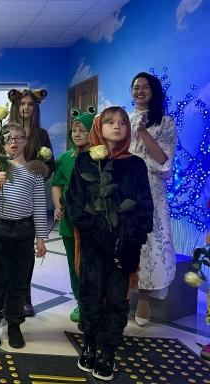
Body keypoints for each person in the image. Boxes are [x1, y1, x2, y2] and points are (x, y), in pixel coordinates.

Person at [66, 106, 154, 381]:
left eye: (122, 123)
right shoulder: (86, 161)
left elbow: (144, 208)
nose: (117, 126)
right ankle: (90, 345)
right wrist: (99, 236)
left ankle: (108, 352)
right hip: (93, 245)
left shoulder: (136, 165)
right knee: (90, 295)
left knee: (117, 299)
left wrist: (131, 244)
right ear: (99, 127)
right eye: (110, 122)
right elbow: (75, 204)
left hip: (123, 247)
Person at [0, 122, 48, 349]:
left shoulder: (34, 171)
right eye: (9, 138)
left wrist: (41, 238)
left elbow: (39, 205)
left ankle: (14, 324)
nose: (14, 142)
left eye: (19, 138)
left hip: (23, 232)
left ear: (25, 142)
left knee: (19, 281)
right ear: (2, 143)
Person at [129, 72, 176, 326]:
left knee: (149, 242)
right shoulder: (124, 118)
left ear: (154, 90)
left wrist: (143, 131)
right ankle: (122, 293)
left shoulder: (165, 122)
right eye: (136, 87)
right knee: (124, 239)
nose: (139, 91)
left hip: (151, 189)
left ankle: (144, 298)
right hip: (125, 188)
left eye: (144, 87)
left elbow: (163, 161)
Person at [4, 88, 53, 317]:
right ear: (16, 106)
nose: (26, 107)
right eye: (22, 103)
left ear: (36, 108)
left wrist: (36, 172)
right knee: (5, 251)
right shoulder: (5, 131)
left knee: (25, 251)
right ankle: (5, 295)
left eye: (30, 104)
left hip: (31, 195)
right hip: (8, 194)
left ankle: (24, 295)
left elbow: (50, 164)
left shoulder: (41, 135)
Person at [51, 106, 96, 322]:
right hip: (70, 221)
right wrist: (57, 205)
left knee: (92, 263)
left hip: (93, 221)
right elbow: (57, 184)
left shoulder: (100, 156)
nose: (76, 134)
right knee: (74, 263)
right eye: (74, 130)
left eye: (82, 130)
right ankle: (81, 301)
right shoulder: (65, 158)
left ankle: (95, 300)